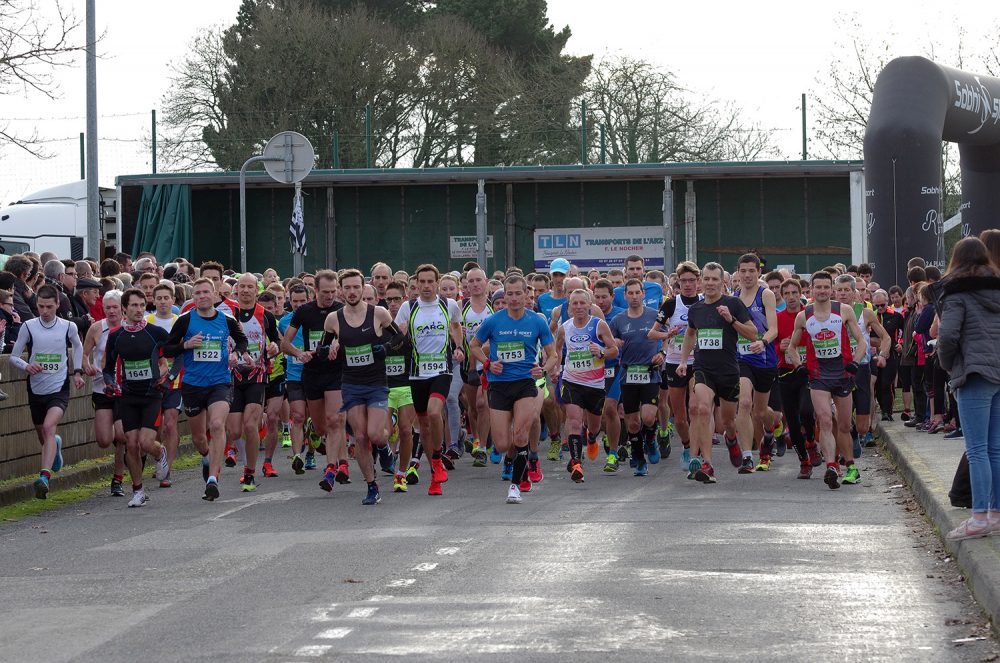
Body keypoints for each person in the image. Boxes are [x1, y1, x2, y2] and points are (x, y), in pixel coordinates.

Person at [469, 274, 557, 504]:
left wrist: (543, 370)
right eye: (510, 294)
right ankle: (518, 457)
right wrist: (488, 363)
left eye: (519, 293)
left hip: (525, 383)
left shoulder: (537, 321)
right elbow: (474, 345)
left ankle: (516, 485)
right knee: (501, 444)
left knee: (520, 433)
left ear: (526, 295)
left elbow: (553, 354)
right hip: (499, 385)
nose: (514, 298)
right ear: (504, 296)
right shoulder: (493, 321)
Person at [163, 277, 250, 501]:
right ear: (193, 297)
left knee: (217, 424)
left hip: (220, 382)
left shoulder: (227, 320)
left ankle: (212, 478)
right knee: (199, 438)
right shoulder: (185, 320)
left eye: (205, 292)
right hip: (193, 384)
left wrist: (236, 353)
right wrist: (186, 345)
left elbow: (242, 341)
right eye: (197, 293)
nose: (202, 296)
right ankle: (206, 456)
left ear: (215, 294)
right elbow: (167, 349)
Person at [936, 236, 1000, 540]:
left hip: (973, 373)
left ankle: (978, 518)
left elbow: (947, 337)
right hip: (998, 373)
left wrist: (949, 365)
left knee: (976, 450)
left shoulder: (956, 293)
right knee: (995, 449)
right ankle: (996, 514)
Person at [324, 269, 402, 505]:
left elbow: (400, 338)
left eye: (356, 287)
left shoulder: (378, 313)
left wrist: (384, 349)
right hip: (351, 384)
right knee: (359, 436)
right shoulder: (333, 319)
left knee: (375, 434)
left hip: (376, 382)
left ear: (363, 287)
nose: (352, 291)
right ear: (341, 290)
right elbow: (322, 349)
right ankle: (371, 486)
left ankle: (385, 448)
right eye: (347, 287)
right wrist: (331, 350)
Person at [676, 264, 757, 484]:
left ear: (723, 282)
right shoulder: (696, 309)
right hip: (703, 368)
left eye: (715, 279)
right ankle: (708, 464)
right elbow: (690, 334)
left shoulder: (733, 304)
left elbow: (752, 334)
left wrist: (731, 320)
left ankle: (731, 439)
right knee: (702, 409)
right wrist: (683, 360)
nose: (710, 283)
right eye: (707, 279)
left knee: (727, 421)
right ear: (701, 281)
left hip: (728, 371)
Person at [789, 271, 867, 490]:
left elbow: (861, 341)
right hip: (818, 376)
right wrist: (799, 366)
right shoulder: (803, 316)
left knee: (844, 425)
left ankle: (850, 466)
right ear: (811, 289)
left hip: (843, 374)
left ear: (831, 289)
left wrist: (856, 362)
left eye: (826, 287)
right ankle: (831, 466)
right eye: (818, 287)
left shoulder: (844, 310)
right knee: (824, 420)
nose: (822, 291)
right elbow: (792, 347)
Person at [8, 285, 86, 499]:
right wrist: (27, 366)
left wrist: (77, 372)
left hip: (59, 386)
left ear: (57, 304)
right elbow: (14, 357)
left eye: (49, 306)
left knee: (49, 427)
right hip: (35, 387)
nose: (44, 311)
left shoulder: (68, 326)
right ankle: (55, 447)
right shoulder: (29, 327)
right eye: (41, 306)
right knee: (44, 435)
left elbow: (78, 346)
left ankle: (44, 477)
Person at [393, 264, 465, 496]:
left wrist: (459, 346)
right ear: (415, 284)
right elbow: (396, 338)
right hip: (416, 374)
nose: (425, 286)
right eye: (421, 282)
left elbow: (456, 325)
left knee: (435, 413)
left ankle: (437, 458)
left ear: (437, 283)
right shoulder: (408, 307)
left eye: (430, 282)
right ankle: (435, 475)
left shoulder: (448, 304)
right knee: (423, 424)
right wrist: (401, 334)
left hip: (442, 370)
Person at [102, 288, 171, 507]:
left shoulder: (155, 332)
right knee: (131, 444)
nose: (139, 309)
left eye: (142, 305)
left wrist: (163, 376)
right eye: (134, 305)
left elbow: (169, 360)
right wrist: (110, 383)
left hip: (151, 395)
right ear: (124, 308)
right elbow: (107, 368)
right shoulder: (116, 336)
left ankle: (159, 453)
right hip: (128, 396)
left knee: (145, 442)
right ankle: (138, 490)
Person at [281, 270, 349, 491]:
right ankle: (313, 429)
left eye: (333, 291)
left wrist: (339, 342)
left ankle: (332, 468)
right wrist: (299, 354)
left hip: (335, 372)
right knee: (321, 428)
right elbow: (285, 344)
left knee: (335, 420)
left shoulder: (341, 310)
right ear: (315, 291)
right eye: (325, 292)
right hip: (312, 373)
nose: (329, 296)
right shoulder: (304, 311)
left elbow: (351, 335)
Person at [554, 289, 617, 482]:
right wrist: (556, 368)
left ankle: (591, 437)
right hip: (571, 381)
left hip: (595, 384)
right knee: (574, 422)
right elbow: (557, 349)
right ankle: (576, 464)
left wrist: (601, 352)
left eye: (583, 303)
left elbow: (614, 350)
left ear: (590, 305)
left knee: (594, 425)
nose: (579, 307)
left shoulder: (599, 325)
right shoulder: (564, 328)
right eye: (575, 303)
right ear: (569, 307)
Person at [610, 278, 665, 477]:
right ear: (625, 296)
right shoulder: (618, 320)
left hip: (650, 372)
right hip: (628, 375)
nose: (634, 296)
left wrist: (663, 353)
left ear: (643, 294)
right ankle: (639, 458)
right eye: (630, 293)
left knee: (648, 417)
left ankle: (650, 438)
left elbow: (667, 337)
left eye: (637, 292)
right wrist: (614, 343)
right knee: (632, 423)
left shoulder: (655, 316)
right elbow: (609, 343)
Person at [648, 262, 701, 469]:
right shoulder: (671, 304)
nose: (687, 285)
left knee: (695, 408)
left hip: (698, 363)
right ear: (678, 282)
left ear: (698, 282)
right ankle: (687, 446)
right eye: (683, 281)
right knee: (679, 418)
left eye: (691, 281)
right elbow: (652, 333)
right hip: (674, 362)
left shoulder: (705, 302)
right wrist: (666, 335)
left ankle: (696, 451)